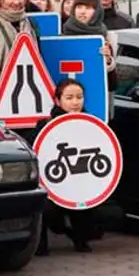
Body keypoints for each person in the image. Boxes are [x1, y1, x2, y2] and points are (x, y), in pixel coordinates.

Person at [32, 79, 100, 255]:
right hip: (52, 184)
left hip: (79, 179)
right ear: (58, 100)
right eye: (69, 97)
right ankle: (42, 243)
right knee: (47, 209)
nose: (76, 102)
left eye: (79, 97)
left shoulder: (91, 123)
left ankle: (80, 238)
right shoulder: (45, 124)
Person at [62, 0, 118, 90]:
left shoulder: (105, 39)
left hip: (96, 96)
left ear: (96, 12)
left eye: (88, 8)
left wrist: (108, 61)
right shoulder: (61, 38)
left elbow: (112, 86)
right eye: (79, 7)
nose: (82, 11)